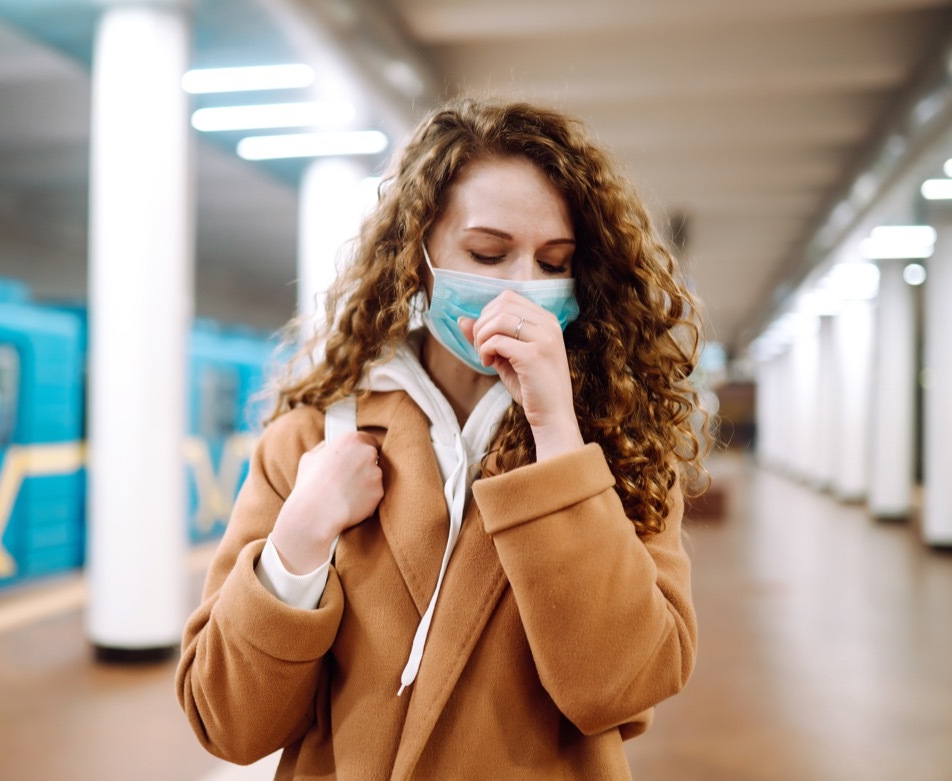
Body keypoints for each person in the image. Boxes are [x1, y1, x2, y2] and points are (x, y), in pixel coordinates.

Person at [176, 98, 705, 780]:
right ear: (419, 255)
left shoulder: (619, 444)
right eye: (488, 253)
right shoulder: (312, 436)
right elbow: (228, 721)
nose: (523, 288)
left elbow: (627, 683)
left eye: (554, 263)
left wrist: (557, 435)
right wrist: (298, 540)